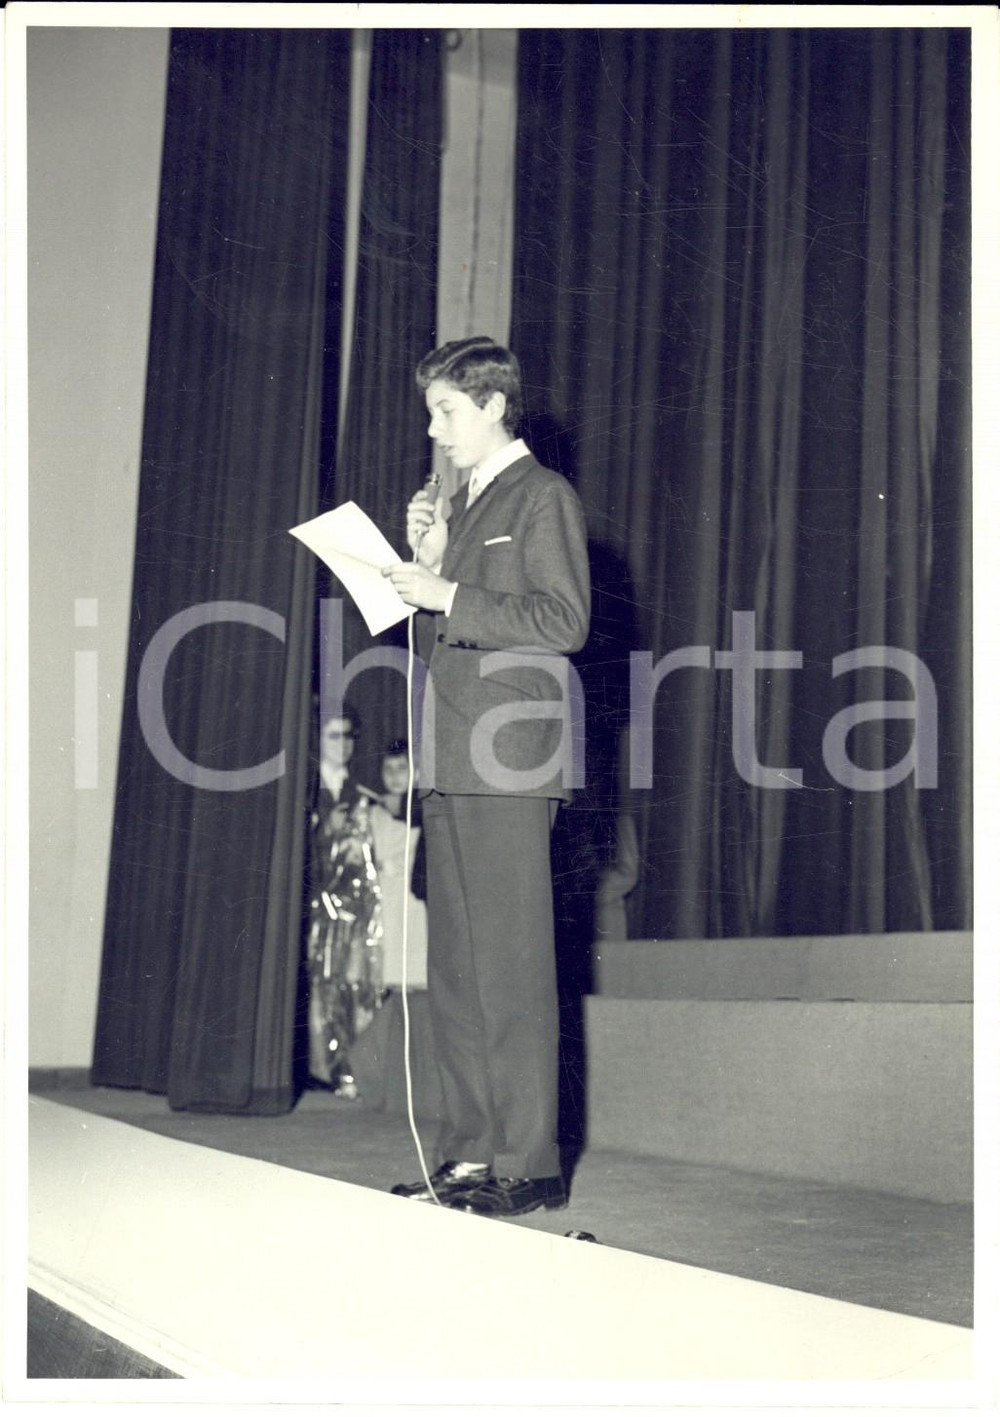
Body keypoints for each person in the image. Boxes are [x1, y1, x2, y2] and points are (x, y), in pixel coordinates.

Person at [382, 336, 590, 1217]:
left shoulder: (542, 496)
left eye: (447, 411)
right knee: (460, 971)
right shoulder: (461, 505)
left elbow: (563, 618)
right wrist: (427, 564)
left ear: (495, 405)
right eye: (432, 412)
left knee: (509, 966)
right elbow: (452, 633)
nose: (435, 431)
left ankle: (528, 1158)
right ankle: (469, 1152)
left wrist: (446, 594)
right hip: (454, 755)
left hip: (511, 758)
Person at [305, 706, 382, 1097]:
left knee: (352, 984)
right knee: (319, 985)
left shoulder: (363, 790)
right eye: (335, 736)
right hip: (316, 904)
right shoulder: (307, 789)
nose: (345, 744)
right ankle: (320, 1069)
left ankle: (348, 1069)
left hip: (352, 907)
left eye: (350, 735)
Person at [368, 739, 428, 990]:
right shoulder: (374, 812)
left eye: (401, 767)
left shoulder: (421, 809)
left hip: (410, 899)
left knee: (412, 960)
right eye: (388, 769)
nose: (394, 776)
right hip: (384, 896)